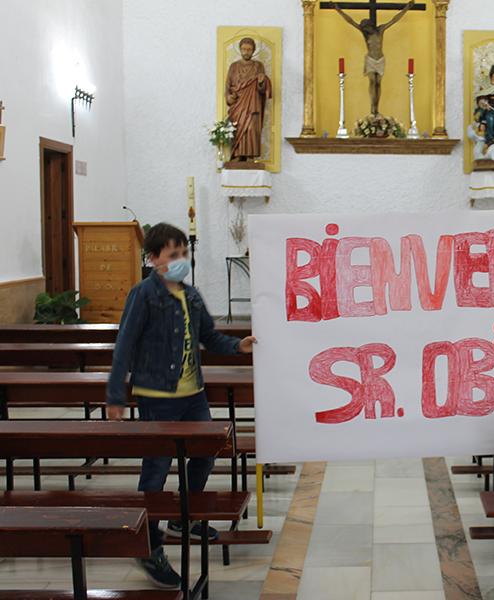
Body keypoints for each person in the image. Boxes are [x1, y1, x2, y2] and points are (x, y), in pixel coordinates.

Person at [106, 223, 257, 589]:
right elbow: (124, 345)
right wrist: (115, 395)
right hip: (157, 396)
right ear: (153, 259)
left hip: (192, 395)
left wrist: (238, 347)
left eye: (183, 254)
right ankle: (148, 543)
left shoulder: (190, 295)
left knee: (207, 452)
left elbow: (208, 336)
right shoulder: (143, 295)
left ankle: (183, 517)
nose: (180, 261)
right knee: (156, 470)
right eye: (172, 255)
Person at [334, 0, 416, 115]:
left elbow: (394, 19)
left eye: (365, 25)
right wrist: (338, 10)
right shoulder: (364, 33)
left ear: (369, 25)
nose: (363, 27)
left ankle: (376, 106)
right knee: (372, 82)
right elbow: (350, 21)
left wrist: (406, 8)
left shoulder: (380, 30)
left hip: (380, 60)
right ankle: (373, 107)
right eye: (363, 26)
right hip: (371, 60)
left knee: (378, 83)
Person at [226, 37, 272, 161]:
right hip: (238, 104)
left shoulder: (258, 66)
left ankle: (250, 155)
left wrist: (262, 82)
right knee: (238, 126)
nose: (246, 52)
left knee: (251, 128)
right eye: (244, 49)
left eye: (249, 49)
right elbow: (228, 87)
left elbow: (261, 89)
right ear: (240, 50)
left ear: (253, 51)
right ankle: (237, 154)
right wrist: (230, 97)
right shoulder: (234, 66)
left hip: (252, 103)